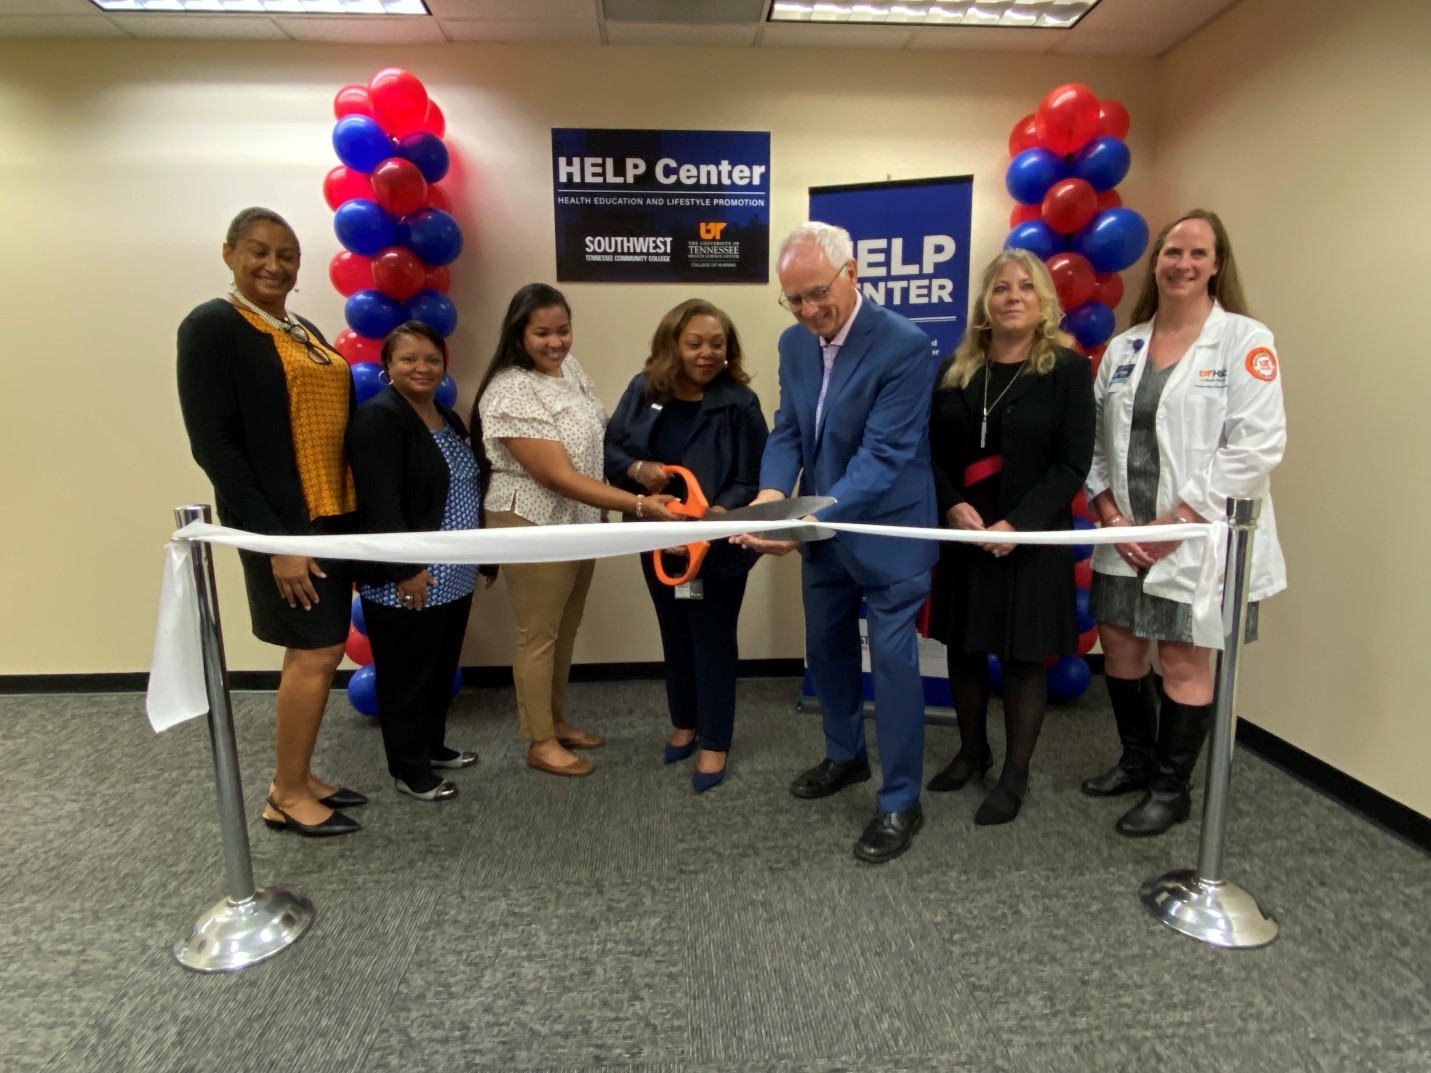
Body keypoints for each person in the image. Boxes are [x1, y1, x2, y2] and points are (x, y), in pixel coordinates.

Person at [734, 222, 938, 864]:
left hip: (886, 534)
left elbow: (882, 459)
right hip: (823, 539)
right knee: (826, 651)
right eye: (793, 299)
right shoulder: (795, 343)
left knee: (896, 667)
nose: (808, 310)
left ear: (852, 273)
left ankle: (902, 798)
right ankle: (845, 756)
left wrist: (801, 522)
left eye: (817, 293)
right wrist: (773, 494)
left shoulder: (904, 346)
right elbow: (788, 429)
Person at [1082, 209, 1287, 836]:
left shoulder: (1245, 342)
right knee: (1119, 648)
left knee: (1182, 660)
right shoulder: (1124, 347)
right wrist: (1111, 513)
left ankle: (1173, 792)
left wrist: (1176, 522)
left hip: (1196, 536)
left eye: (1198, 253)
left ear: (1217, 264)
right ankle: (1137, 762)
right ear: (1157, 261)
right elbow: (1095, 447)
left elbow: (1256, 447)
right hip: (1125, 536)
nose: (1183, 264)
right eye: (1173, 252)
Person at [177, 206, 363, 838]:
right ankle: (286, 794)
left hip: (331, 514)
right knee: (315, 650)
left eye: (286, 255)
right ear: (229, 253)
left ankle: (300, 775)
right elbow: (216, 447)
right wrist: (274, 541)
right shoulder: (212, 327)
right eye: (258, 251)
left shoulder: (301, 328)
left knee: (321, 647)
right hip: (282, 526)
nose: (273, 265)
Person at [473, 284, 678, 778]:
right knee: (537, 633)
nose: (555, 342)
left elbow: (600, 437)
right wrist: (637, 504)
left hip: (578, 519)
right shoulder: (509, 387)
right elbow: (556, 476)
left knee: (565, 628)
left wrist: (636, 469)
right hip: (530, 518)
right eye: (541, 333)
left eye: (562, 330)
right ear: (519, 333)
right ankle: (539, 741)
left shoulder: (572, 370)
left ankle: (556, 722)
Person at [925, 250, 1095, 825]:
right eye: (1000, 288)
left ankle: (1014, 774)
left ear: (1044, 300)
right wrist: (951, 505)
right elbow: (932, 454)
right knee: (965, 649)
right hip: (965, 532)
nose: (1012, 296)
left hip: (1032, 535)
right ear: (985, 303)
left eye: (1026, 287)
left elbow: (1072, 464)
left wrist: (1017, 526)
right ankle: (972, 753)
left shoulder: (1067, 371)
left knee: (1024, 659)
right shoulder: (955, 370)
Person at [604, 299, 769, 793]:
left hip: (716, 545)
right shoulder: (643, 390)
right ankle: (686, 722)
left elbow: (751, 476)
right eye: (694, 342)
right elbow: (612, 450)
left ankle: (715, 740)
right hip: (656, 540)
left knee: (713, 640)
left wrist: (716, 516)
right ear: (672, 344)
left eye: (716, 343)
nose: (706, 353)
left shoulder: (740, 402)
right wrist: (638, 470)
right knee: (674, 632)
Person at [346, 321, 490, 803]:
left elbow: (468, 486)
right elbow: (380, 502)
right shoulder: (380, 418)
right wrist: (406, 568)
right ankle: (409, 769)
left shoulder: (445, 417)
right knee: (407, 676)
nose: (421, 367)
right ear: (387, 366)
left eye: (431, 358)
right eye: (408, 358)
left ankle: (432, 746)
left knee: (437, 666)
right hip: (407, 578)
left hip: (454, 574)